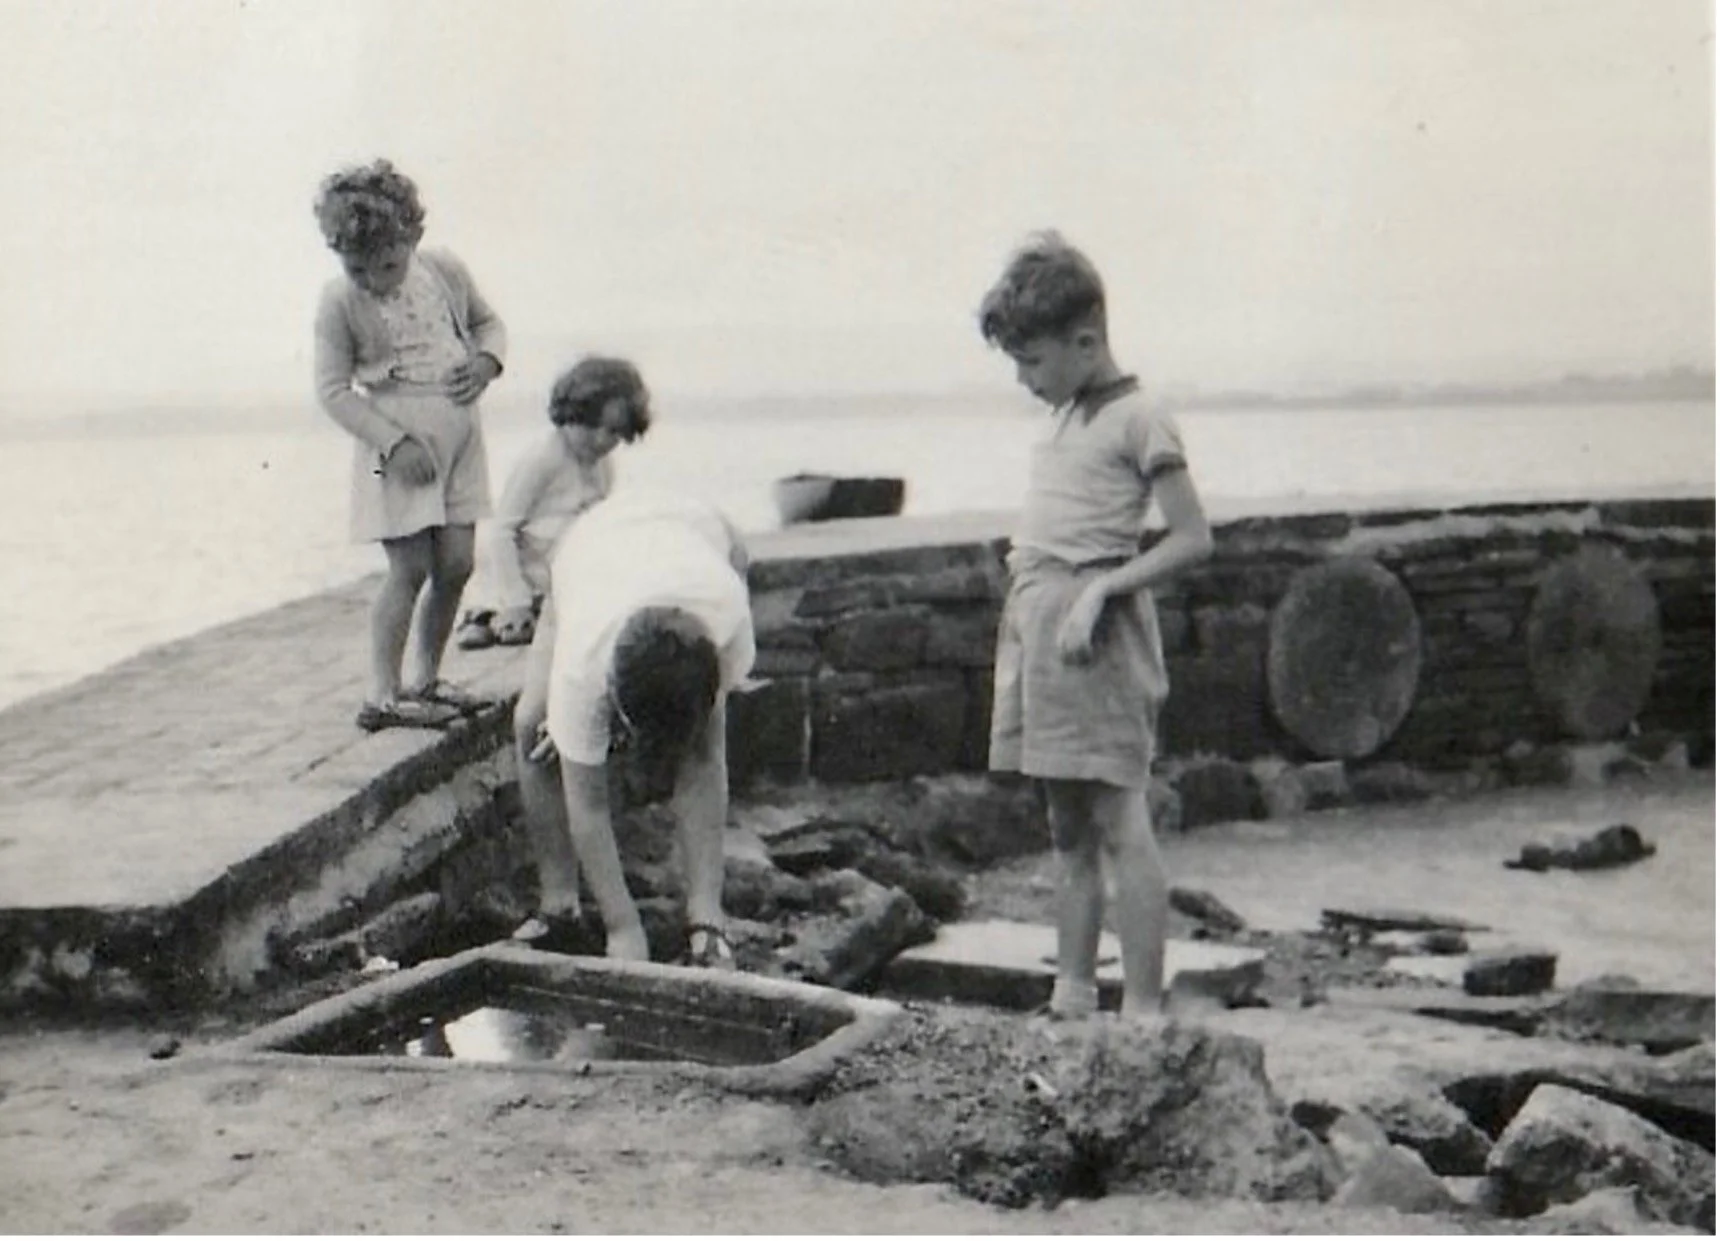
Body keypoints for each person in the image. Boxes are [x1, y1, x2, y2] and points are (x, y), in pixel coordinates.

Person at [978, 231, 1214, 1019]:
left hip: (1095, 637)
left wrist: (1104, 589)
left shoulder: (1140, 417)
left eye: (1032, 361)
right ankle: (1072, 993)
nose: (1024, 379)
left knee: (1119, 817)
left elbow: (1192, 538)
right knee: (1066, 825)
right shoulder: (1065, 415)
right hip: (1041, 627)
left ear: (1086, 341)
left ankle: (1143, 1006)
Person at [512, 483, 753, 968]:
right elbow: (589, 806)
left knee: (700, 748)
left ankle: (707, 918)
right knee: (531, 725)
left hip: (703, 532)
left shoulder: (725, 622)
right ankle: (559, 904)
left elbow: (706, 757)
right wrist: (623, 928)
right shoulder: (583, 663)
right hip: (588, 550)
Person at [312, 158, 506, 731]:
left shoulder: (444, 270)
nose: (374, 280)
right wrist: (394, 444)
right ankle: (383, 693)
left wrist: (486, 362)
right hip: (397, 448)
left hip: (462, 436)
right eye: (357, 268)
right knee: (410, 568)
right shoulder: (338, 301)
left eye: (388, 265)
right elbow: (332, 390)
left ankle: (426, 678)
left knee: (457, 563)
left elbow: (488, 325)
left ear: (413, 238)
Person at [456, 358, 647, 651]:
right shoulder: (543, 459)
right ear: (569, 415)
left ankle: (541, 612)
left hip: (559, 572)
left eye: (613, 432)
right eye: (590, 427)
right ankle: (487, 614)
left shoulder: (602, 466)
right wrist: (516, 599)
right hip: (517, 570)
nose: (600, 440)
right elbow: (501, 532)